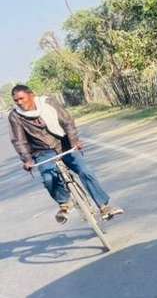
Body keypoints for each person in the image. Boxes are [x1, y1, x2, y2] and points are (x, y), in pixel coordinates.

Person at [8, 84, 123, 223]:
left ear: (31, 95)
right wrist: (27, 159)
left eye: (22, 98)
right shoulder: (15, 115)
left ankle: (104, 206)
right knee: (49, 178)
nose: (20, 103)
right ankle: (64, 203)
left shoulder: (48, 103)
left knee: (85, 171)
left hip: (65, 144)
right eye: (16, 101)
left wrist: (74, 141)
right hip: (42, 151)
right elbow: (19, 140)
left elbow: (67, 122)